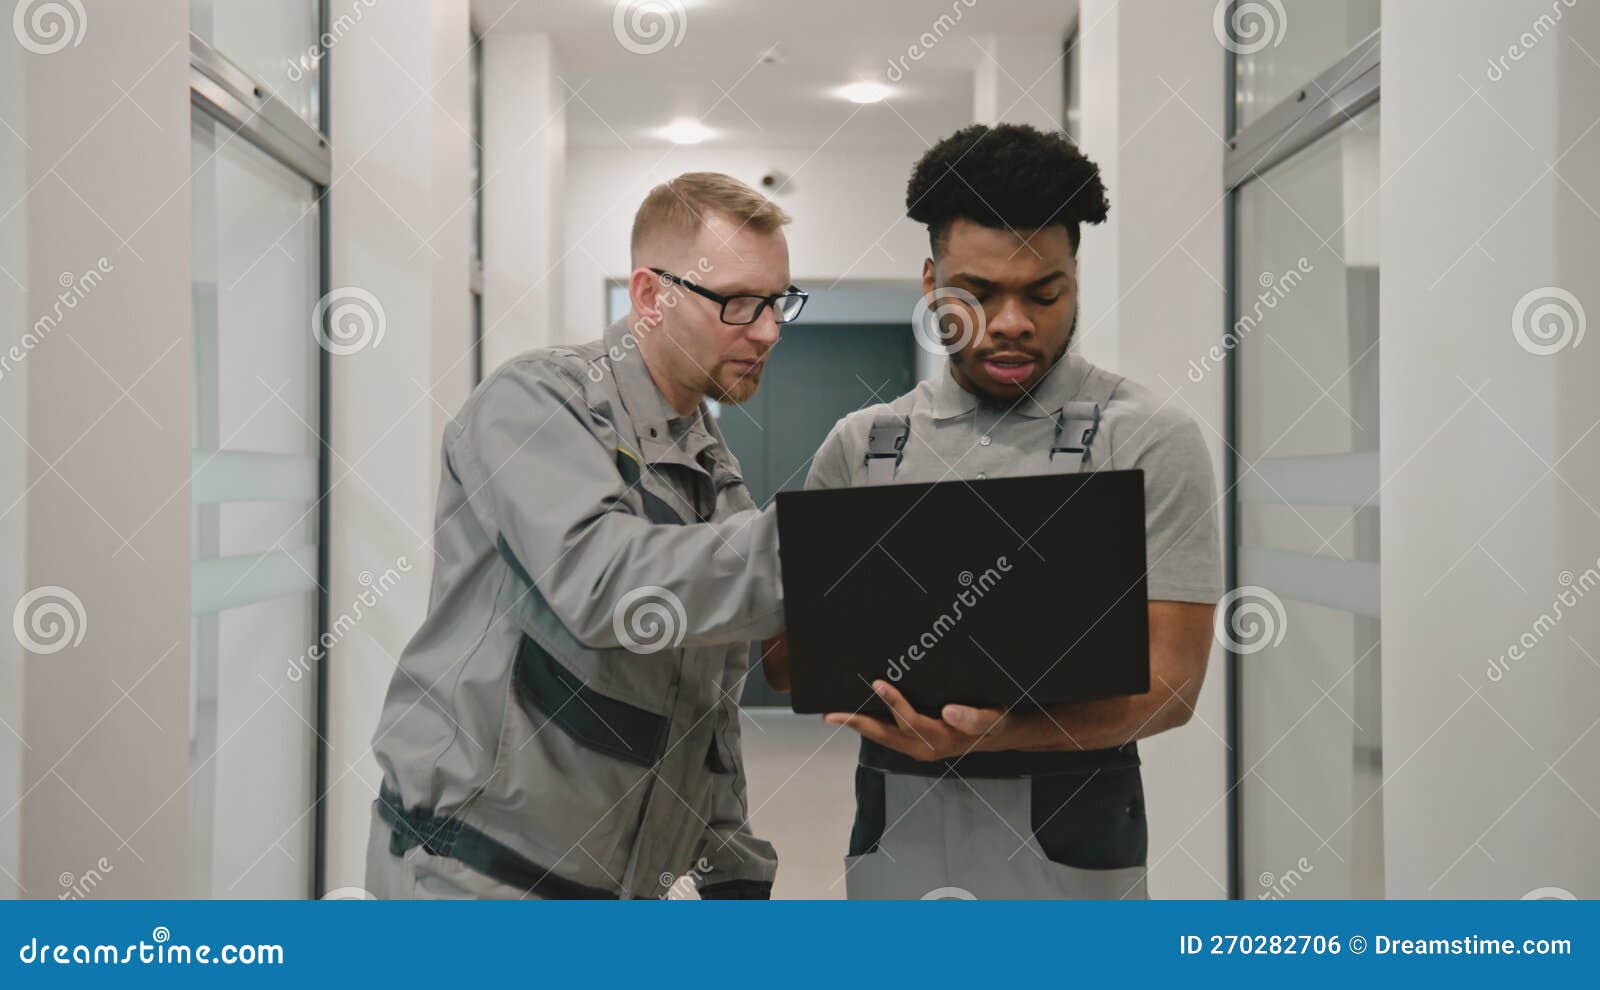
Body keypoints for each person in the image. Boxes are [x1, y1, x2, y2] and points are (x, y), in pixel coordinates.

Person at [765, 124, 1223, 899]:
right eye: (977, 294)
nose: (1011, 322)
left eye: (1045, 293)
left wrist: (1005, 733)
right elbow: (785, 664)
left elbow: (1174, 685)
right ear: (930, 282)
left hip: (1075, 852)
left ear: (1075, 280)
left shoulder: (1147, 439)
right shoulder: (862, 447)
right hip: (897, 838)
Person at [367, 172, 808, 899]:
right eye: (738, 302)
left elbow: (707, 705)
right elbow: (606, 584)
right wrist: (819, 545)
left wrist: (732, 863)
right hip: (473, 881)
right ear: (650, 295)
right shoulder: (535, 402)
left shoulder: (712, 468)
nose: (767, 331)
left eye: (778, 302)